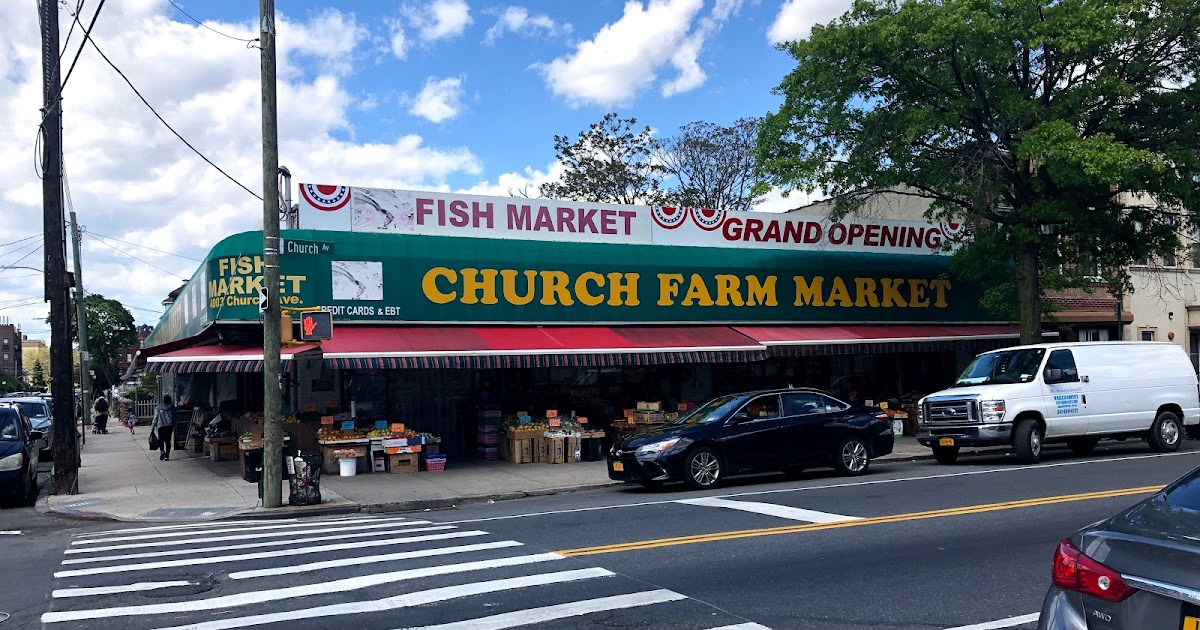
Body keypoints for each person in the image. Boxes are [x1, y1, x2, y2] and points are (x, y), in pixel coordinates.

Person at [152, 395, 175, 461]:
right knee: (168, 441)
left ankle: (162, 451)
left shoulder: (158, 407)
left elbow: (156, 417)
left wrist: (153, 425)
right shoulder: (172, 407)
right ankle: (167, 455)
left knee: (161, 440)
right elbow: (174, 417)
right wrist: (174, 424)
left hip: (160, 425)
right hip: (169, 425)